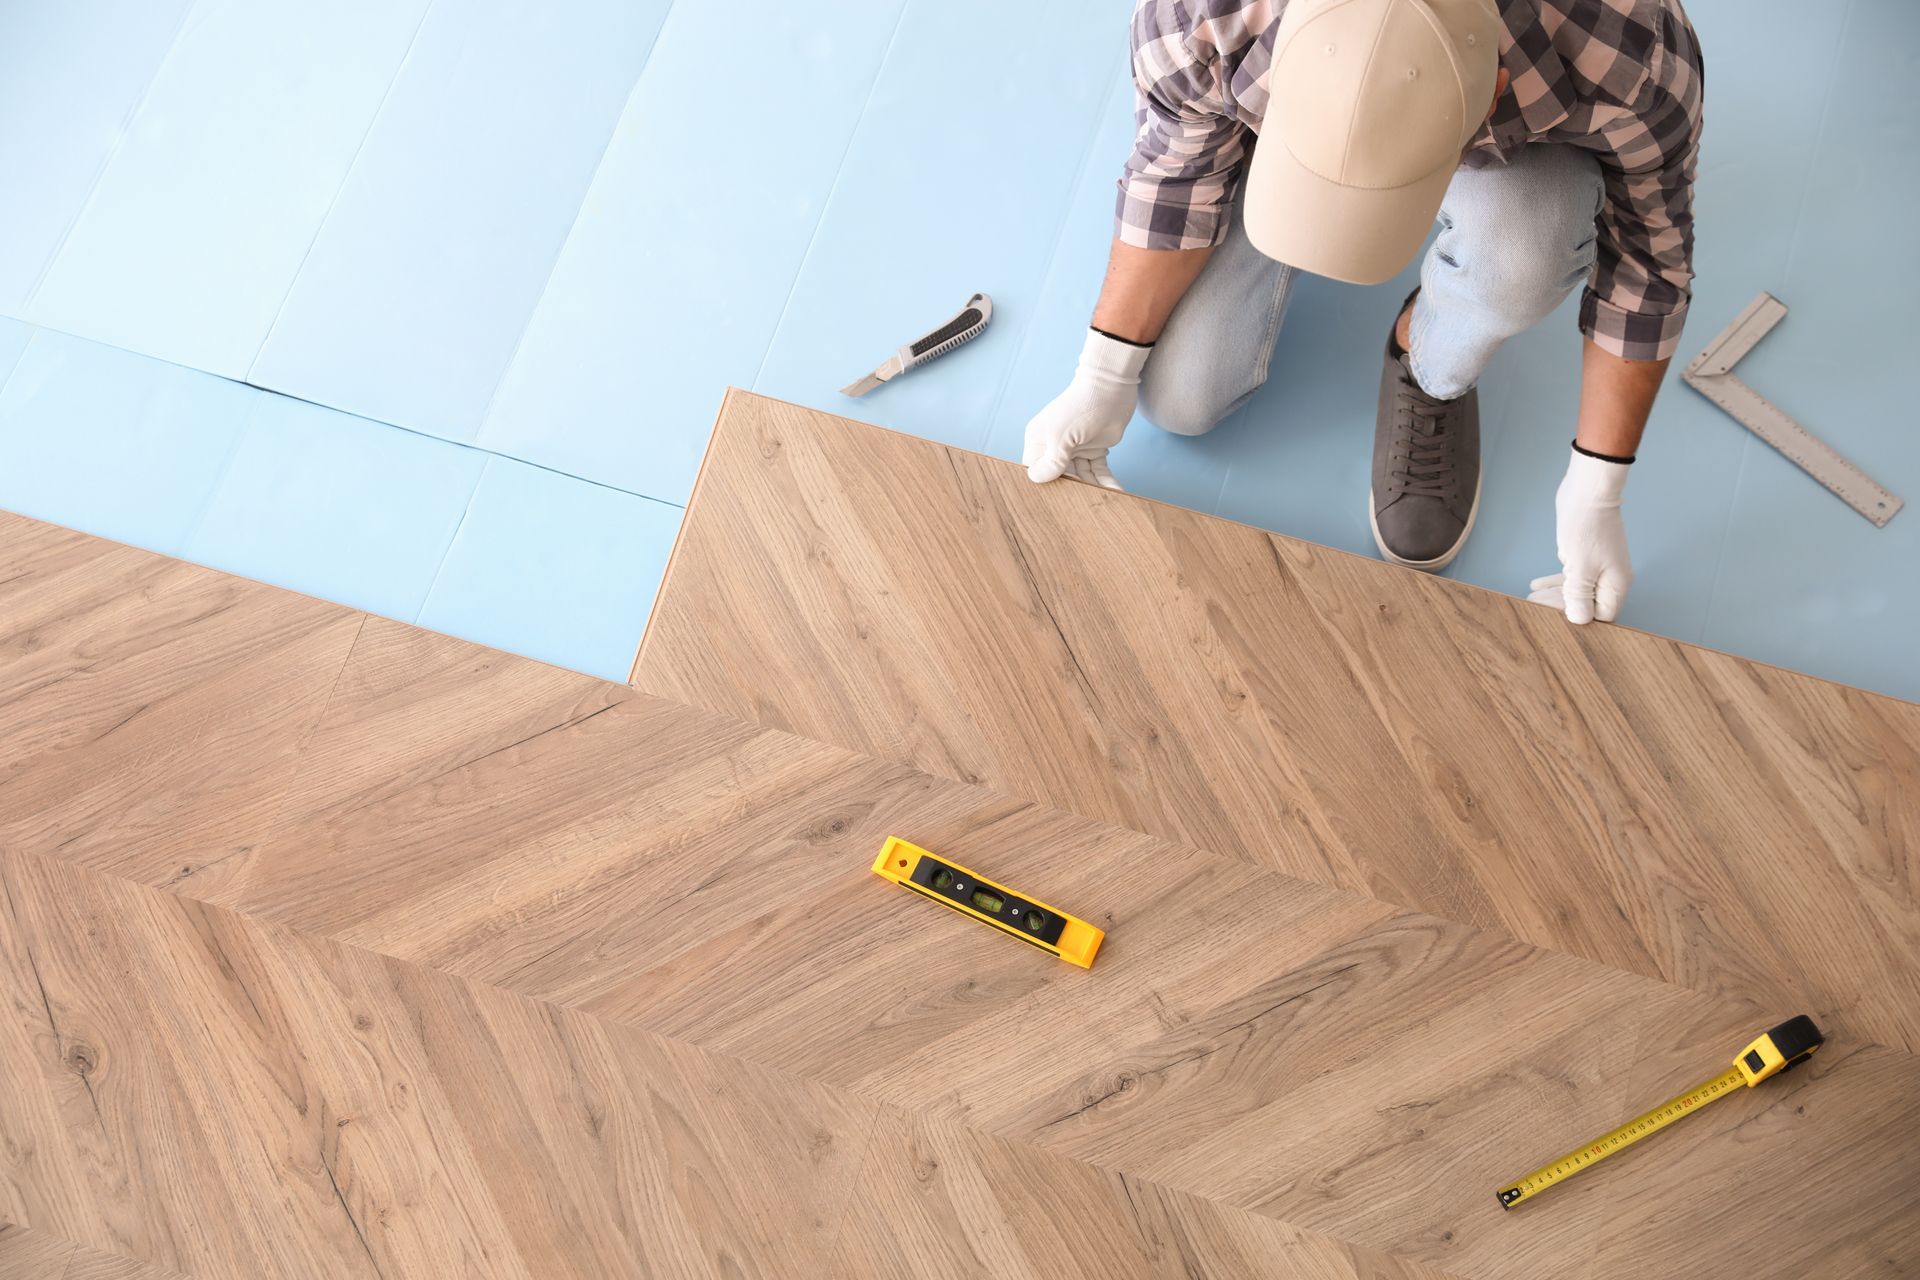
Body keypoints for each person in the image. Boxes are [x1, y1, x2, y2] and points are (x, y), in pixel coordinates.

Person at [1022, 0, 1702, 625]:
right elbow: (1171, 177)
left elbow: (1650, 268)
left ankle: (1430, 356)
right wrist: (1103, 373)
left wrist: (1597, 486)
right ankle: (1286, 155)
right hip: (1274, 103)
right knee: (1179, 400)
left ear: (1492, 94)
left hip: (1523, 135)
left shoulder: (1631, 57)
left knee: (1522, 260)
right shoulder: (1202, 14)